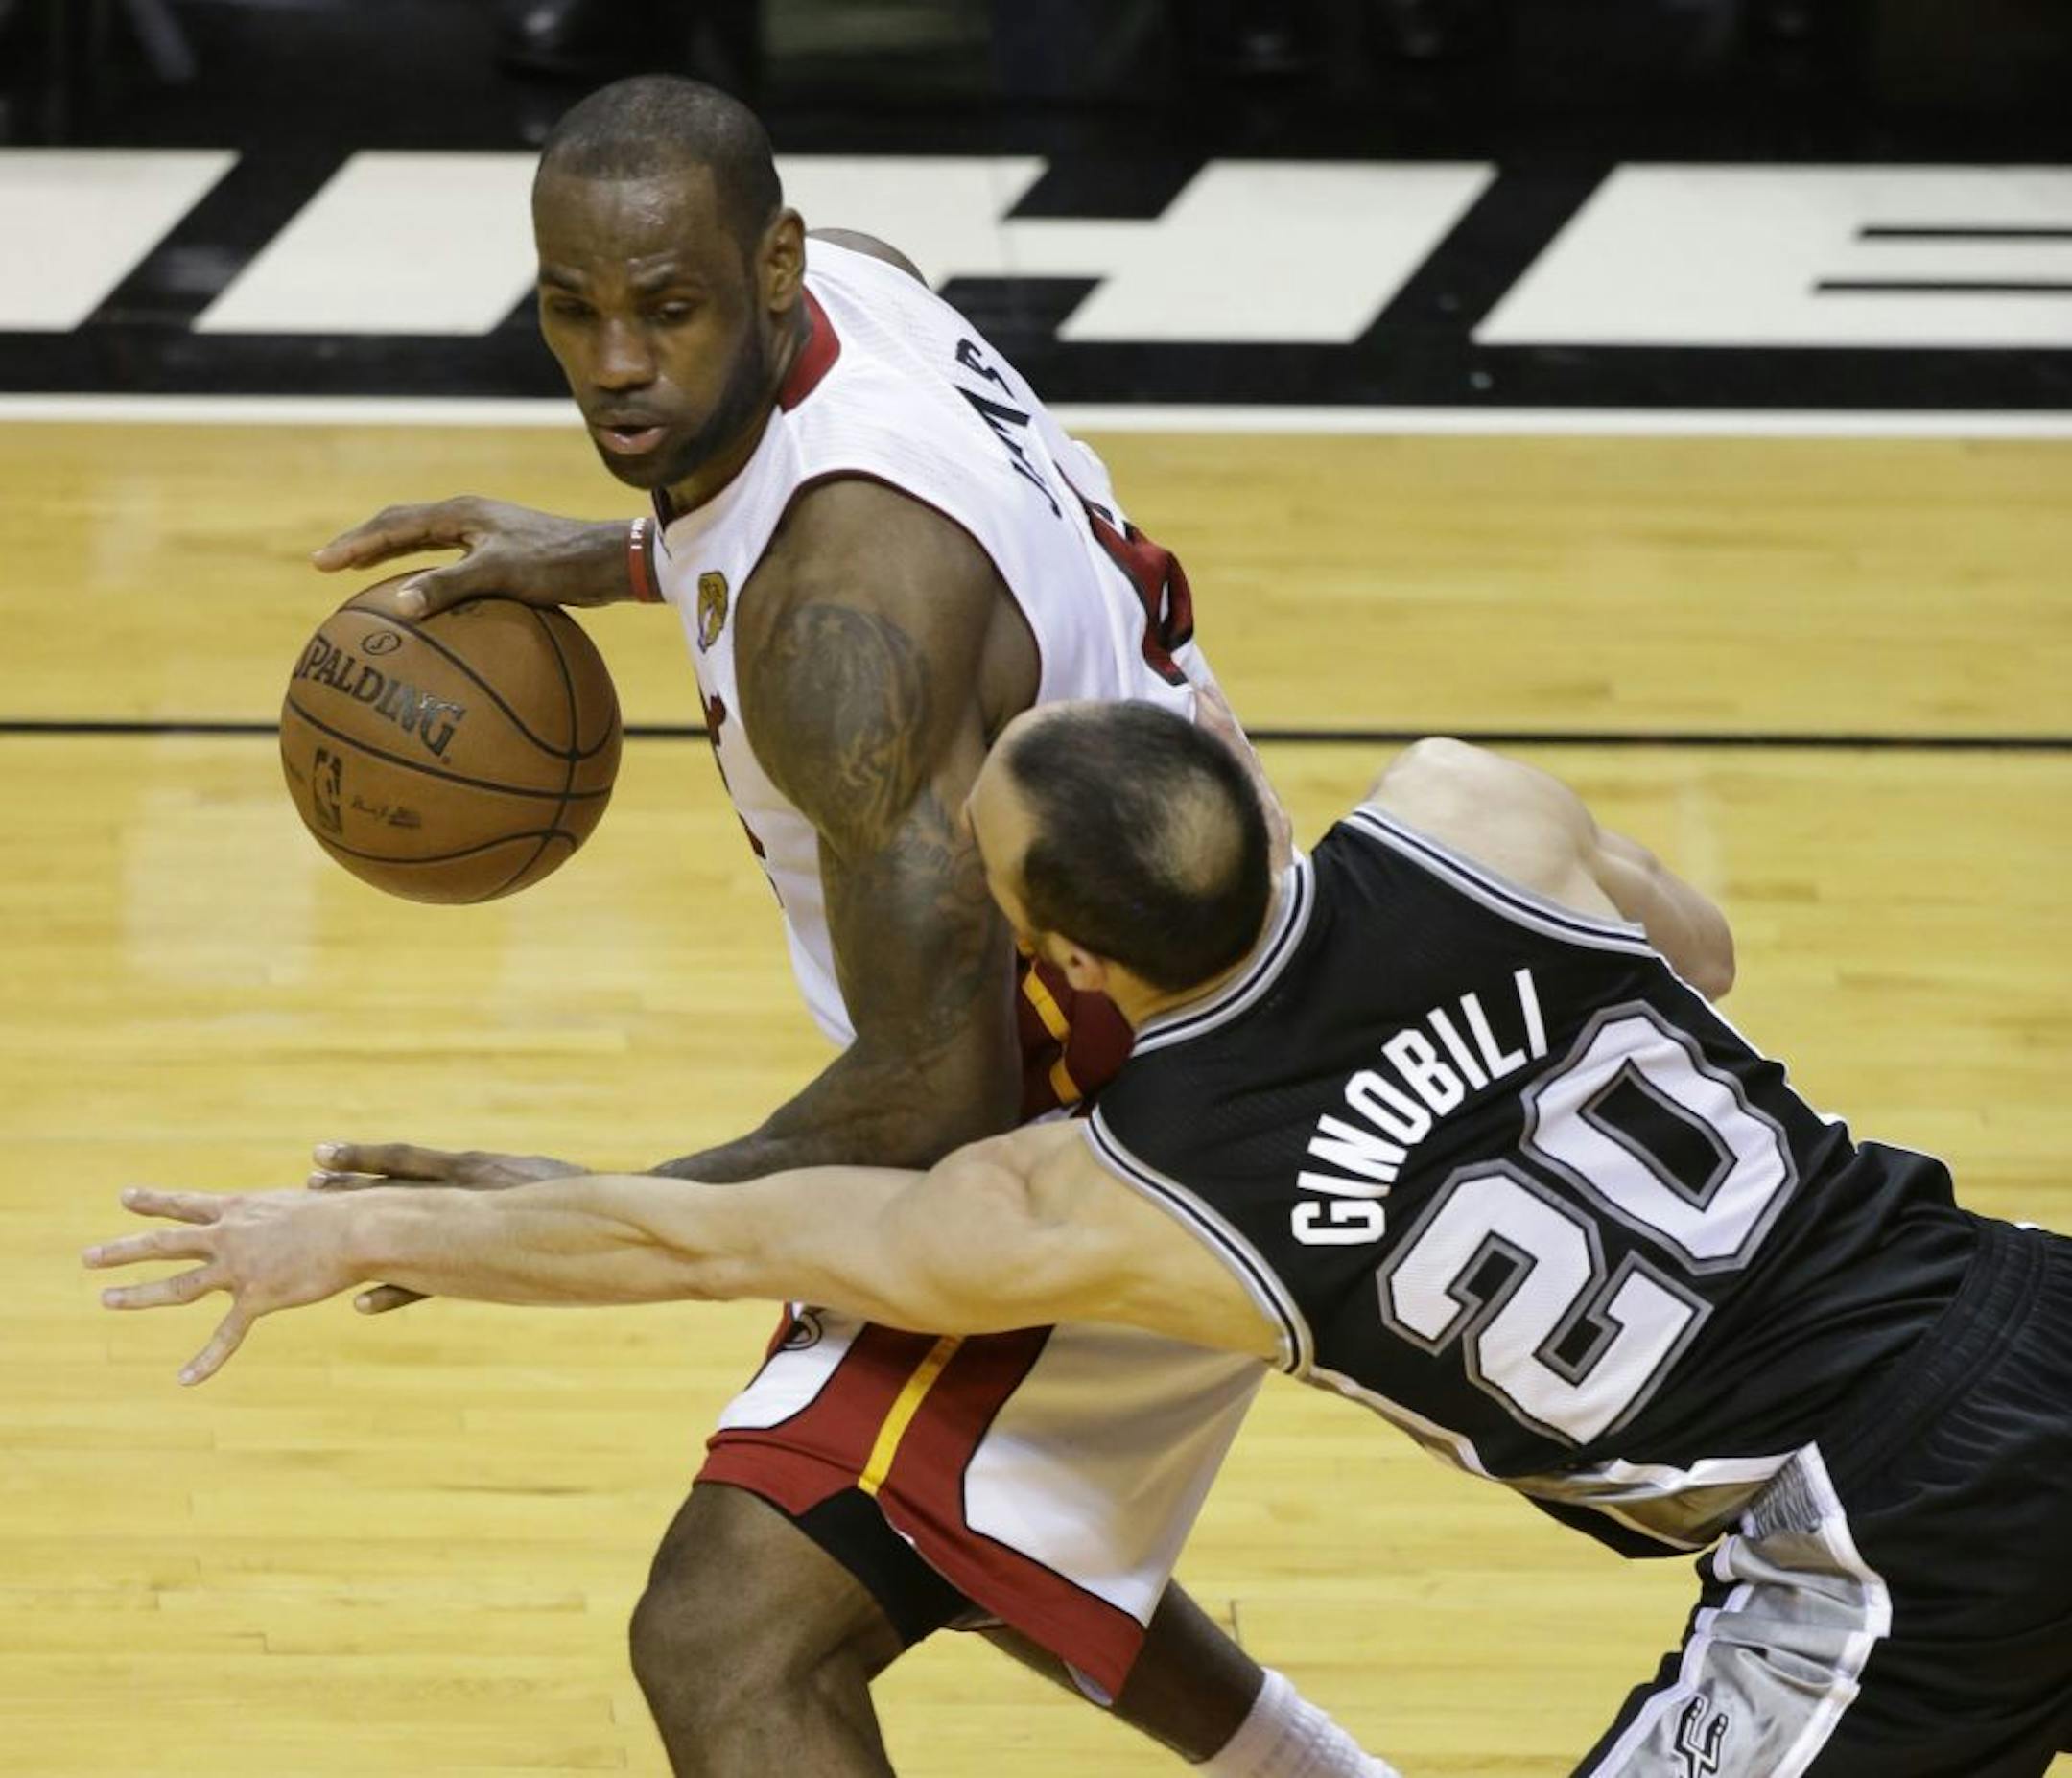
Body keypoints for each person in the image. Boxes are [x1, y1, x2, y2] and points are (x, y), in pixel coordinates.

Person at [92, 705, 2072, 1776]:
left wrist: (340, 1236)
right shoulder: (1470, 809)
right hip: (2030, 1299)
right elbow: (1704, 959)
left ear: (1063, 957)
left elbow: (697, 1243)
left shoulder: (1119, 1199)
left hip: (1870, 1539)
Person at [292, 72, 1379, 1778]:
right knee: (927, 1493)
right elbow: (836, 507)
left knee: (732, 1629)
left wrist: (569, 1210)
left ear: (773, 260)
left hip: (1116, 1107)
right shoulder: (865, 296)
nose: (616, 363)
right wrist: (622, 550)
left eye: (667, 309)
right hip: (1244, 954)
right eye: (571, 310)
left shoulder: (841, 626)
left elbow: (935, 1100)